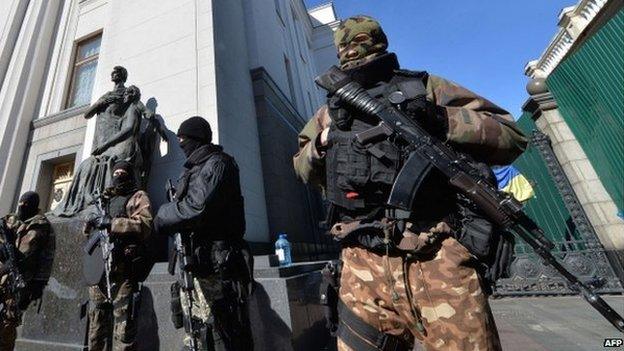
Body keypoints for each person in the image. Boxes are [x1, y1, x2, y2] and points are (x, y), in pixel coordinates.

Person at [293, 15, 528, 351]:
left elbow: (511, 136)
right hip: (363, 262)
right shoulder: (329, 113)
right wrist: (323, 141)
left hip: (436, 255)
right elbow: (301, 167)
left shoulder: (425, 88)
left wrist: (441, 119)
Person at [154, 116, 254, 351]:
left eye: (182, 138)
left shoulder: (217, 164)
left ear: (196, 138)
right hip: (198, 262)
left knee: (221, 333)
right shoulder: (193, 169)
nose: (179, 142)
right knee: (197, 331)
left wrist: (162, 215)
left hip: (217, 265)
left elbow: (195, 207)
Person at [84, 160, 153, 351]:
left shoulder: (138, 196)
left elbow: (145, 225)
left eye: (123, 172)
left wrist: (112, 223)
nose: (119, 175)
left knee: (123, 329)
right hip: (99, 271)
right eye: (116, 173)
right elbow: (88, 235)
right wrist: (90, 223)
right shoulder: (103, 200)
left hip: (123, 269)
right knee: (95, 327)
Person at [0, 192, 53, 351]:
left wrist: (39, 283)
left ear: (35, 206)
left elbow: (46, 257)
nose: (22, 205)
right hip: (2, 274)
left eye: (27, 203)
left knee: (8, 324)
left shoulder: (42, 225)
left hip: (20, 281)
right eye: (21, 202)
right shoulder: (6, 222)